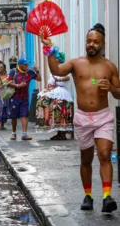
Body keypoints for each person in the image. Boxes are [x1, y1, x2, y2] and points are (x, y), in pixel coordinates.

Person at [41, 23, 118, 213]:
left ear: (103, 44)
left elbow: (118, 93)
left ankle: (107, 196)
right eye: (89, 41)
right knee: (85, 159)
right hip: (83, 117)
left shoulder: (109, 67)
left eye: (96, 42)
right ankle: (88, 195)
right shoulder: (76, 63)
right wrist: (50, 49)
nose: (91, 44)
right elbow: (57, 71)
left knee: (104, 154)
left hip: (103, 117)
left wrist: (111, 88)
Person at [35, 51, 74, 139]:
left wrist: (58, 81)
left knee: (59, 112)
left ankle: (62, 133)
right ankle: (58, 132)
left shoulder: (63, 69)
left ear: (59, 60)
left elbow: (67, 77)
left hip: (61, 94)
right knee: (54, 112)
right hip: (54, 92)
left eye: (55, 58)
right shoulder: (54, 70)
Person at [6, 58, 42, 140]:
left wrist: (37, 71)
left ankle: (24, 134)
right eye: (25, 64)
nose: (27, 66)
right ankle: (14, 133)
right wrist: (18, 85)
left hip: (25, 98)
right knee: (14, 116)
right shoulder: (14, 72)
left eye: (27, 64)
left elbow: (39, 79)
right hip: (14, 97)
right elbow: (7, 83)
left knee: (24, 115)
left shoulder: (30, 72)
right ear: (20, 65)